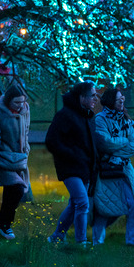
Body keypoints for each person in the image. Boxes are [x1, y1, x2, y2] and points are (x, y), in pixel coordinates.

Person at [92, 87, 134, 247]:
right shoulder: (100, 119)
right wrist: (122, 142)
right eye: (118, 99)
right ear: (110, 102)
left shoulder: (125, 120)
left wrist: (118, 153)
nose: (122, 101)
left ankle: (133, 239)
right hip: (106, 170)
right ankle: (98, 242)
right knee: (104, 205)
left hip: (124, 168)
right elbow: (105, 143)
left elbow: (133, 145)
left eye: (122, 98)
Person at [45, 81, 99, 245]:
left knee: (75, 204)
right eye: (93, 95)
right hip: (70, 168)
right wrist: (72, 155)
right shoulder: (65, 115)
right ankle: (81, 242)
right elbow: (51, 141)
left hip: (84, 168)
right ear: (82, 97)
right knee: (82, 203)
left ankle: (57, 237)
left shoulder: (87, 117)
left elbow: (90, 145)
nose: (95, 99)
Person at [0, 84, 31, 240]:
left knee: (11, 192)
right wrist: (2, 150)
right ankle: (5, 226)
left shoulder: (25, 110)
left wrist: (26, 147)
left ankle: (2, 228)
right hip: (3, 158)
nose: (20, 106)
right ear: (8, 101)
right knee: (17, 188)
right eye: (16, 102)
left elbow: (26, 131)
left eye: (22, 102)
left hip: (19, 158)